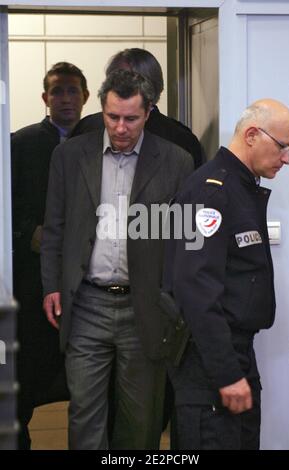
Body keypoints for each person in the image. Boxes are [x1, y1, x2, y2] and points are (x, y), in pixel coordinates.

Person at [41, 69, 194, 450]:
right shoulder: (69, 155)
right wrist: (52, 287)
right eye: (112, 117)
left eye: (131, 118)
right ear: (102, 110)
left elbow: (183, 240)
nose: (121, 128)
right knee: (84, 413)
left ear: (149, 113)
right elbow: (55, 229)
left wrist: (172, 300)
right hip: (86, 302)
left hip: (145, 306)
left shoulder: (176, 161)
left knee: (141, 417)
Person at [163, 98, 289, 450]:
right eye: (283, 147)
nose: (287, 159)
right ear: (252, 134)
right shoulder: (209, 193)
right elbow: (195, 290)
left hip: (235, 355)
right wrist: (226, 373)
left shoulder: (240, 188)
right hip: (208, 363)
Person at [11, 61, 89, 449]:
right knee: (28, 375)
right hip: (34, 282)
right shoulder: (19, 144)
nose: (65, 98)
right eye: (57, 91)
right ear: (44, 98)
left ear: (86, 96)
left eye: (73, 90)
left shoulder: (104, 141)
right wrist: (29, 234)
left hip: (92, 284)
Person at [72, 48, 204, 168]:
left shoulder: (180, 140)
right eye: (118, 80)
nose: (121, 128)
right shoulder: (86, 129)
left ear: (154, 87)